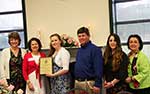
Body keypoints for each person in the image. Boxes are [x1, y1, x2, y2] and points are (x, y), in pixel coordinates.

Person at [74, 27, 103, 94]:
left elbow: (98, 68)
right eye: (79, 36)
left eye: (83, 35)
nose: (81, 38)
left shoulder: (95, 50)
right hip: (78, 83)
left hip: (89, 83)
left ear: (88, 36)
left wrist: (97, 84)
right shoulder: (79, 51)